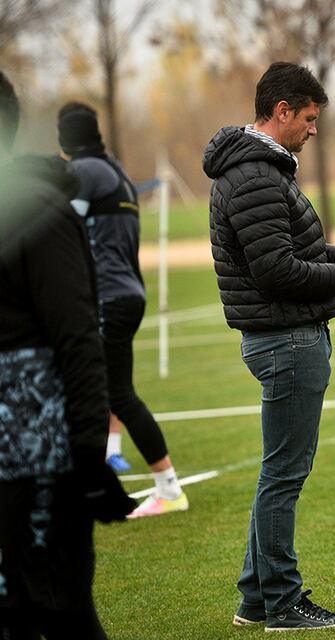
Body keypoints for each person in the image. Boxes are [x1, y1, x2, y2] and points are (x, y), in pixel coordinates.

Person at [204, 62, 335, 631]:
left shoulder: (262, 171)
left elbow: (286, 248)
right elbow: (275, 271)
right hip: (285, 340)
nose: (313, 129)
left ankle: (256, 597)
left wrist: (333, 256)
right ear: (281, 112)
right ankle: (282, 600)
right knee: (283, 476)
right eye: (308, 118)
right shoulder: (254, 175)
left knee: (278, 472)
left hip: (285, 335)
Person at [0, 71, 136, 639]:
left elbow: (78, 336)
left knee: (56, 608)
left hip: (38, 456)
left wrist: (86, 454)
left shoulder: (37, 207)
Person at [57, 102, 188, 517]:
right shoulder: (115, 172)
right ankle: (120, 482)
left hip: (106, 297)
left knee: (103, 393)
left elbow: (61, 228)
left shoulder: (84, 171)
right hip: (127, 294)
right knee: (112, 393)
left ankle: (166, 487)